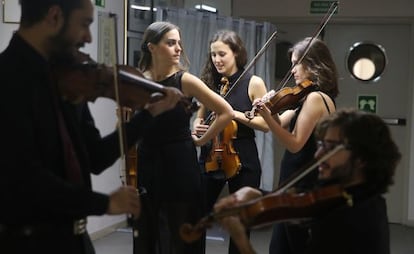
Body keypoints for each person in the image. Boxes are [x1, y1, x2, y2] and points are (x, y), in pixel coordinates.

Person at [0, 1, 182, 253]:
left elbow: (95, 156)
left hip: (75, 241)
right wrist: (104, 204)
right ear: (54, 16)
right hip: (27, 243)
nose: (87, 37)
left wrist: (149, 115)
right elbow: (24, 178)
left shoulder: (68, 80)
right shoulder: (8, 78)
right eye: (84, 24)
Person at [214, 108, 401, 254]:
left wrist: (242, 242)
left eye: (331, 148)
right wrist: (258, 194)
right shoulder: (354, 194)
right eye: (321, 145)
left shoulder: (350, 220)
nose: (319, 154)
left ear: (362, 158)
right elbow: (299, 202)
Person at [134, 22, 234, 254]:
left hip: (180, 164)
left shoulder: (185, 80)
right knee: (148, 229)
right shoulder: (138, 80)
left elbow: (226, 112)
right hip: (148, 162)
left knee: (180, 229)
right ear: (152, 47)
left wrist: (201, 140)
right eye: (171, 43)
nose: (178, 48)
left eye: (179, 42)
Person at [250, 36, 339, 254]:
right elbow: (280, 123)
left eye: (296, 63)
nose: (292, 71)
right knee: (281, 247)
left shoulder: (316, 98)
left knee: (295, 247)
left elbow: (295, 144)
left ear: (313, 64)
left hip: (302, 185)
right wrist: (268, 109)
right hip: (293, 184)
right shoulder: (305, 97)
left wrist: (267, 117)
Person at [193, 29, 269, 254]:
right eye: (213, 55)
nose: (217, 60)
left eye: (222, 54)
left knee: (240, 222)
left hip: (242, 155)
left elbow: (266, 124)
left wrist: (233, 114)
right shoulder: (208, 82)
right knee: (197, 214)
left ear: (236, 53)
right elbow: (199, 118)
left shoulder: (253, 83)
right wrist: (196, 127)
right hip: (210, 154)